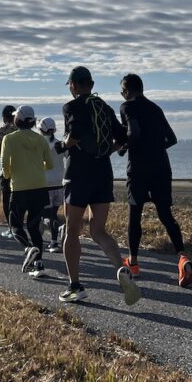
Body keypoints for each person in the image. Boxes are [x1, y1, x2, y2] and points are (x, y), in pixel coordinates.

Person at [58, 66, 139, 305]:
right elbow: (123, 138)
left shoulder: (71, 107)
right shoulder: (104, 106)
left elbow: (73, 134)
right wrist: (105, 152)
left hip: (78, 175)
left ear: (73, 85)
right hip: (102, 173)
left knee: (72, 230)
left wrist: (64, 145)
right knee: (98, 230)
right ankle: (121, 269)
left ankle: (75, 286)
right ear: (91, 84)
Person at [117, 73, 192, 287]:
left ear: (127, 89)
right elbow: (172, 139)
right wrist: (155, 149)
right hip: (161, 167)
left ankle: (133, 263)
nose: (121, 93)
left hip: (139, 169)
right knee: (166, 214)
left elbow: (133, 132)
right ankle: (183, 257)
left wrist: (124, 148)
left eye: (122, 90)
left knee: (135, 214)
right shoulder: (155, 108)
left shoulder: (127, 106)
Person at [1, 105, 55, 278]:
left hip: (19, 188)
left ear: (18, 120)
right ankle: (39, 265)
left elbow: (5, 164)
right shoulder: (41, 140)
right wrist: (37, 168)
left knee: (15, 223)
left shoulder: (9, 139)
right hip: (40, 187)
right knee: (34, 225)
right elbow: (49, 164)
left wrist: (9, 175)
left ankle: (27, 248)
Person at [39, 117, 66, 252]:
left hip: (44, 184)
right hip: (59, 184)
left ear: (41, 130)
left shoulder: (38, 145)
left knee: (46, 215)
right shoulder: (59, 144)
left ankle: (54, 240)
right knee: (53, 213)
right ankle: (57, 233)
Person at [0, 105, 18, 238]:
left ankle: (11, 227)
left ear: (4, 117)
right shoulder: (20, 129)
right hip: (22, 169)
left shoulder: (3, 130)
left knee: (6, 199)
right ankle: (19, 226)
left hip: (7, 169)